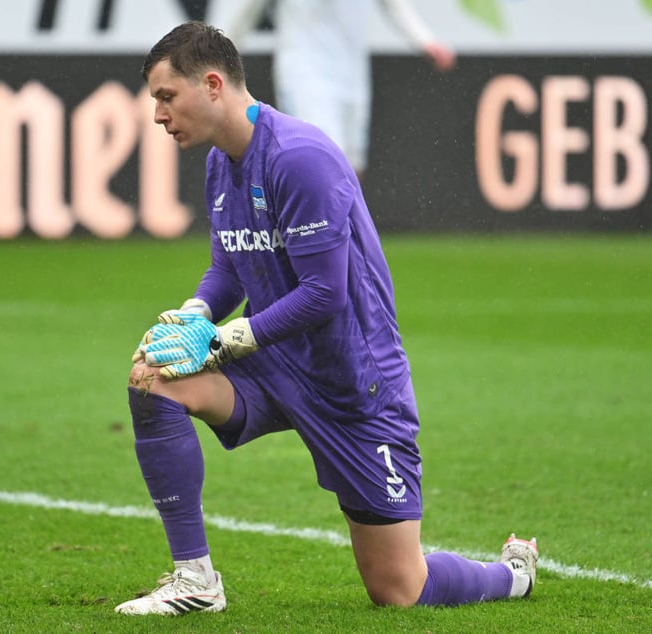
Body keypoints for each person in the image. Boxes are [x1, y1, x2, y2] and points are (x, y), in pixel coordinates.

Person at [115, 22, 536, 616]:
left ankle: (511, 574)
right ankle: (196, 581)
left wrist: (223, 338)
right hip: (276, 363)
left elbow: (323, 294)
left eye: (165, 96)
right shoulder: (220, 164)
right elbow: (230, 269)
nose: (157, 113)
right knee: (153, 377)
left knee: (398, 589)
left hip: (354, 383)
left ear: (212, 85)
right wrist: (195, 314)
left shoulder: (299, 158)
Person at [225, 0, 456, 179]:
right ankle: (308, 238)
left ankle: (343, 239)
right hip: (305, 74)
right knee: (323, 164)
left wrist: (426, 41)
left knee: (352, 171)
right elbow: (248, 8)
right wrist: (219, 56)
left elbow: (393, 4)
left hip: (352, 77)